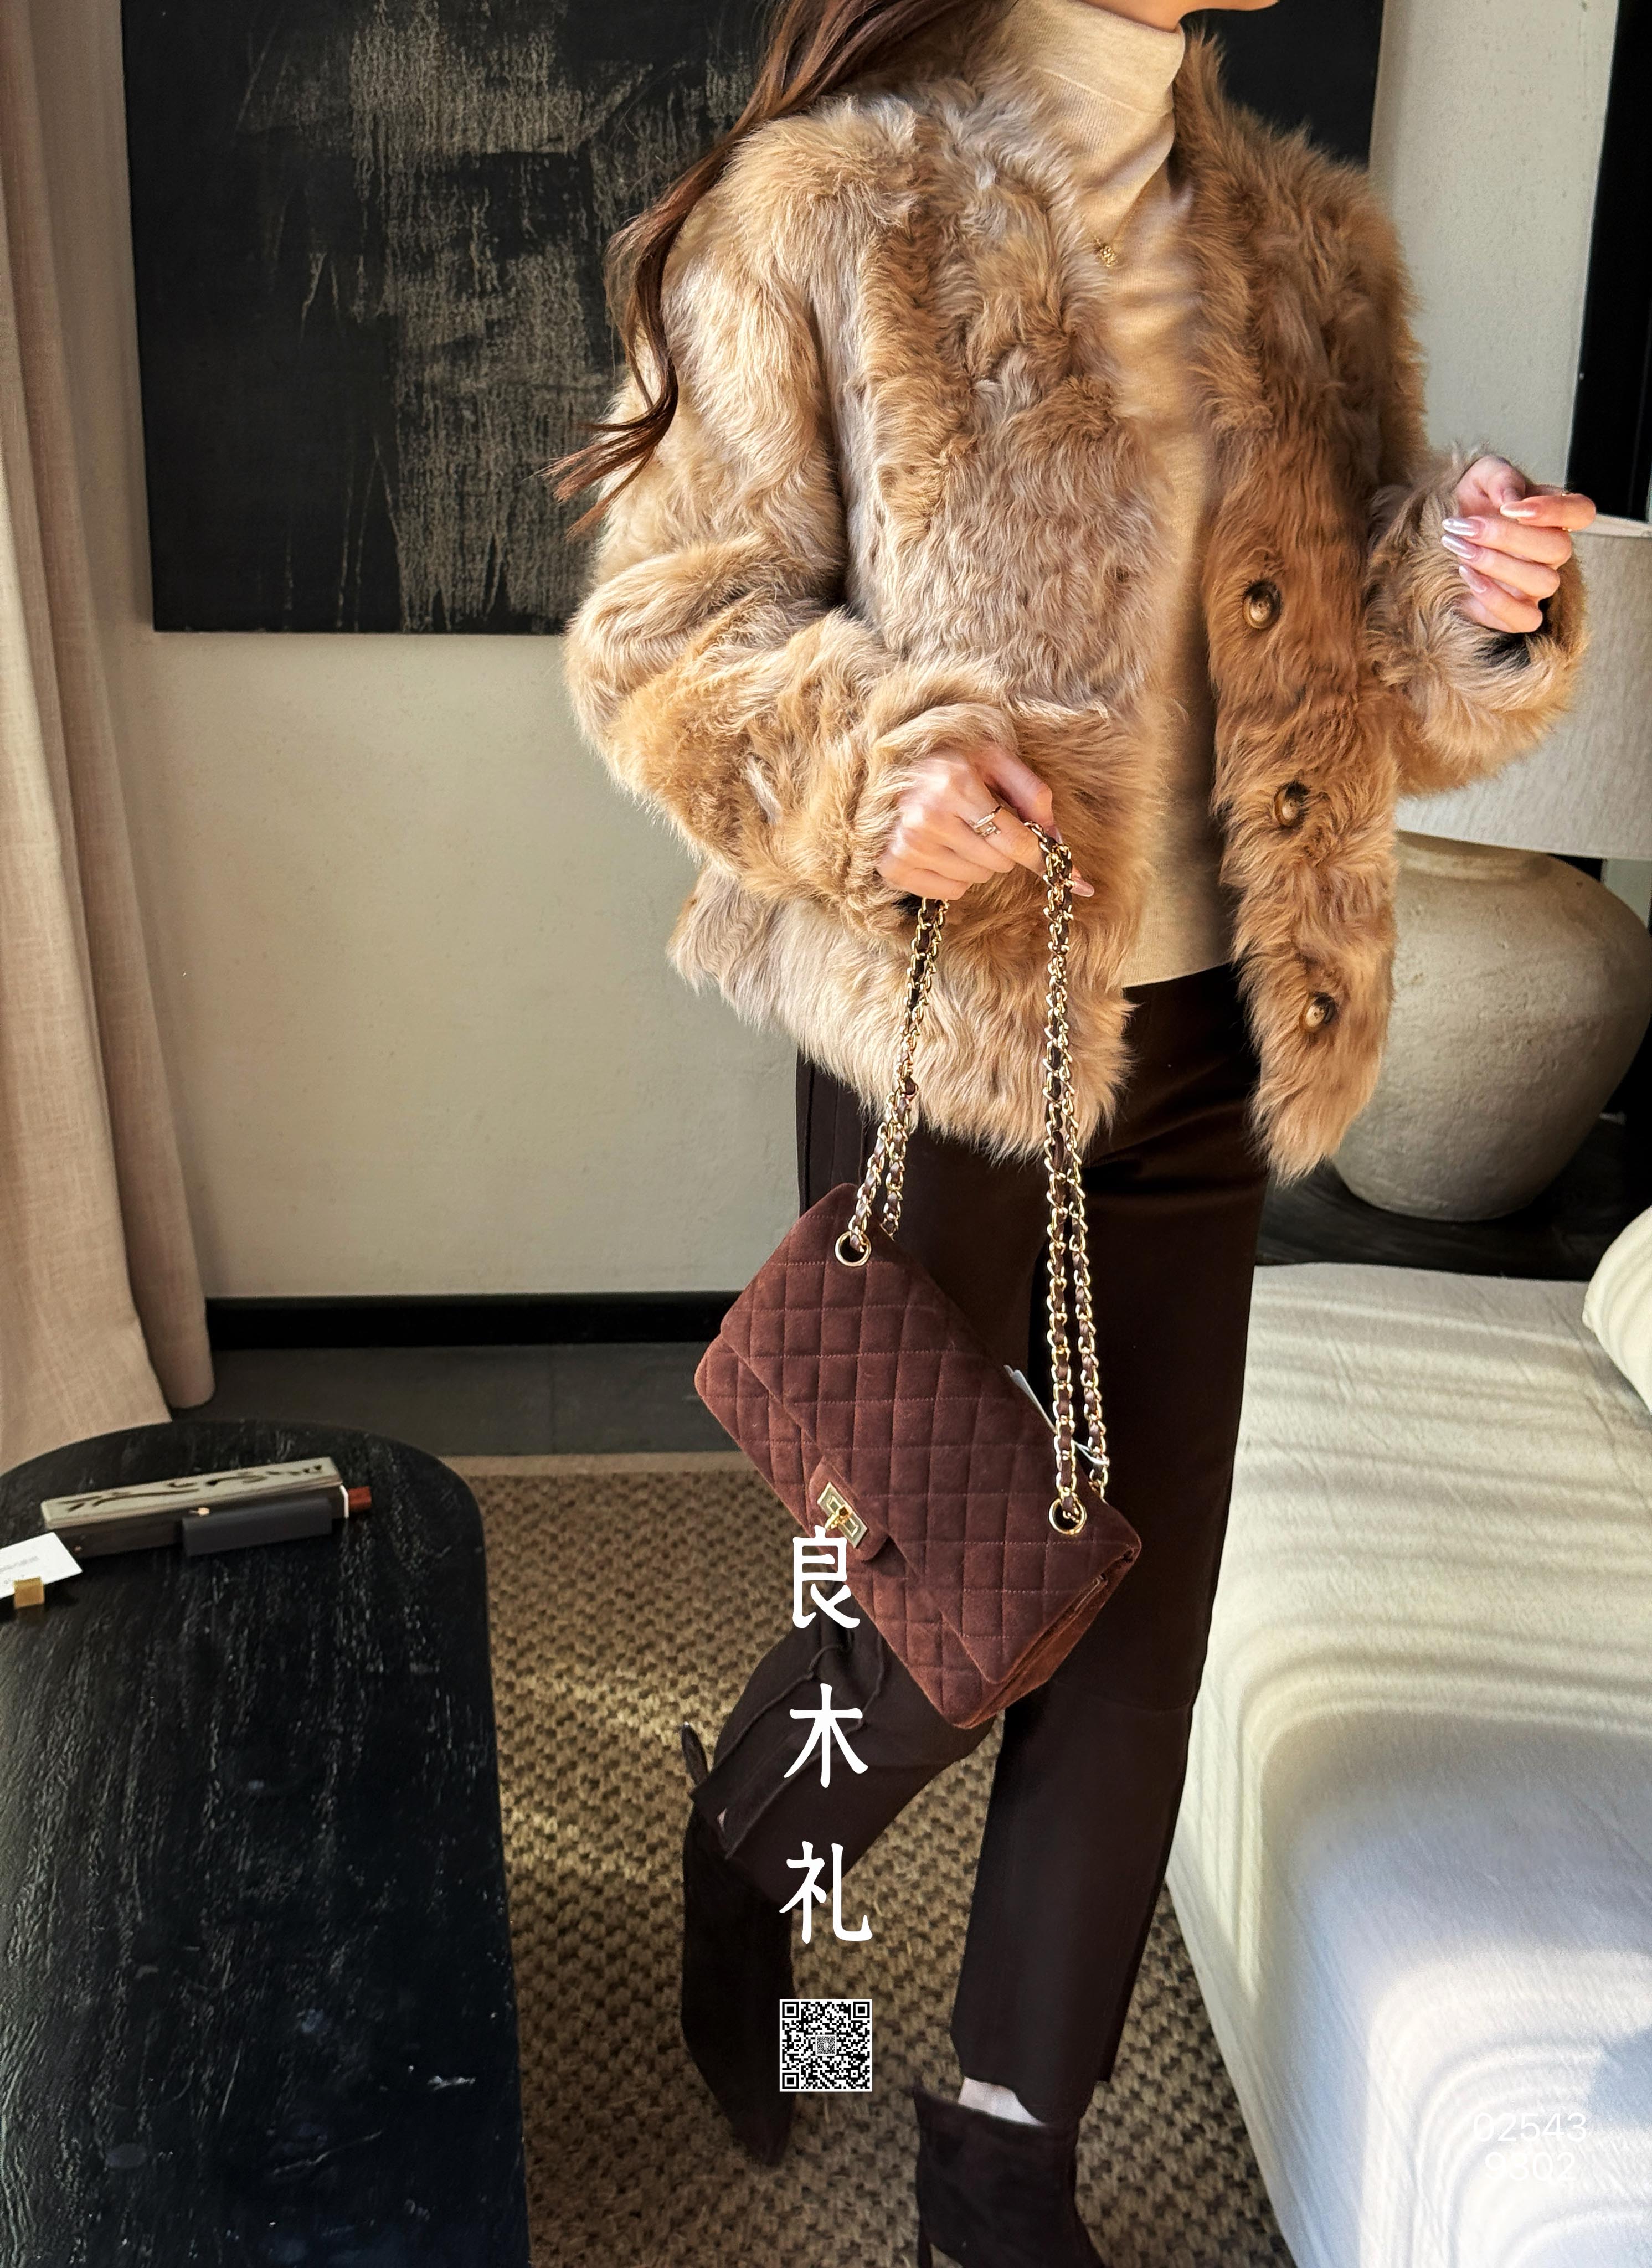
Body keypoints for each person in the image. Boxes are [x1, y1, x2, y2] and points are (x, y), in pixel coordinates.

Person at [555, 0, 1594, 2258]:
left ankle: (1001, 2167)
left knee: (1135, 1634)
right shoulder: (825, 210)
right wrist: (868, 768)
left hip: (1204, 1048)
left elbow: (1360, 682)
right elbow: (663, 635)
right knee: (943, 1600)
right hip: (946, 1049)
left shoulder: (1307, 246)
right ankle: (753, 1846)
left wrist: (1464, 592)